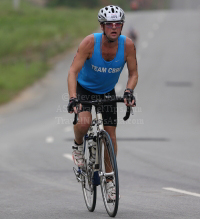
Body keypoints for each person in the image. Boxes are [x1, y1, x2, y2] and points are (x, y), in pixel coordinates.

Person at [67, 5, 138, 200]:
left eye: (118, 24)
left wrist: (128, 91)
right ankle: (77, 146)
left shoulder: (128, 45)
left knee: (111, 136)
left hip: (107, 92)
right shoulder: (90, 43)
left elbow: (133, 73)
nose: (114, 27)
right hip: (84, 89)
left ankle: (109, 180)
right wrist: (73, 98)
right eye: (110, 24)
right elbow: (73, 71)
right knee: (83, 121)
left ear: (122, 26)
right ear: (102, 26)